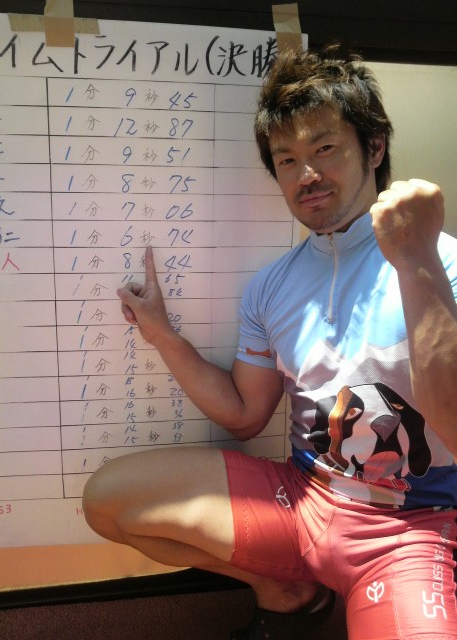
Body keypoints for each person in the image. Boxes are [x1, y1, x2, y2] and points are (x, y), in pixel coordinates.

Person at [82, 45, 457, 639]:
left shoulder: (444, 264)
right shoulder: (270, 286)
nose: (306, 174)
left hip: (413, 525)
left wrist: (417, 263)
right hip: (303, 504)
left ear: (374, 147)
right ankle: (284, 589)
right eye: (287, 159)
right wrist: (162, 336)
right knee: (107, 500)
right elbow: (244, 415)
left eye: (324, 148)